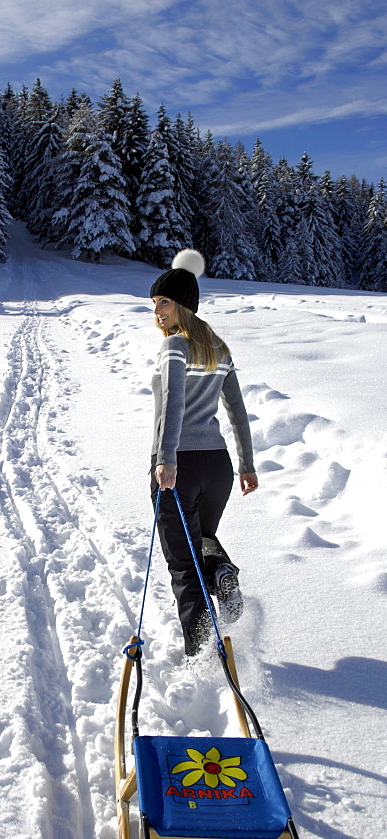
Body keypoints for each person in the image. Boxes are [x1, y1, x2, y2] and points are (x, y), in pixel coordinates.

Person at [149, 248, 258, 656]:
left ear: (183, 306)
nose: (157, 311)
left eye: (164, 302)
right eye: (155, 303)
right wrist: (246, 465)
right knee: (203, 537)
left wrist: (166, 459)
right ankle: (223, 573)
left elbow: (174, 401)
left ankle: (201, 657)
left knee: (182, 564)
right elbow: (238, 411)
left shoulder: (175, 346)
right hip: (219, 467)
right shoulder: (219, 348)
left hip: (181, 464)